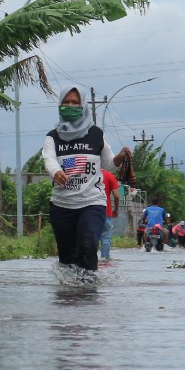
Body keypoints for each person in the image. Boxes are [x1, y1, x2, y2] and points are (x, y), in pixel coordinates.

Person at [43, 86, 132, 273]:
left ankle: (89, 292)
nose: (70, 105)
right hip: (62, 206)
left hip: (92, 203)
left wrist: (121, 157)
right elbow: (49, 158)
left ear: (83, 106)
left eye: (75, 102)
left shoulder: (96, 134)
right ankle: (69, 295)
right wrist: (55, 171)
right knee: (67, 259)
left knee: (87, 245)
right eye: (65, 102)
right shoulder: (52, 137)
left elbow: (108, 163)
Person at [99, 169, 121, 263]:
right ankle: (104, 260)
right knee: (105, 239)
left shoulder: (88, 174)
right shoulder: (109, 175)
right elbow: (116, 196)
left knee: (90, 237)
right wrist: (115, 209)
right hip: (105, 212)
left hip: (88, 213)